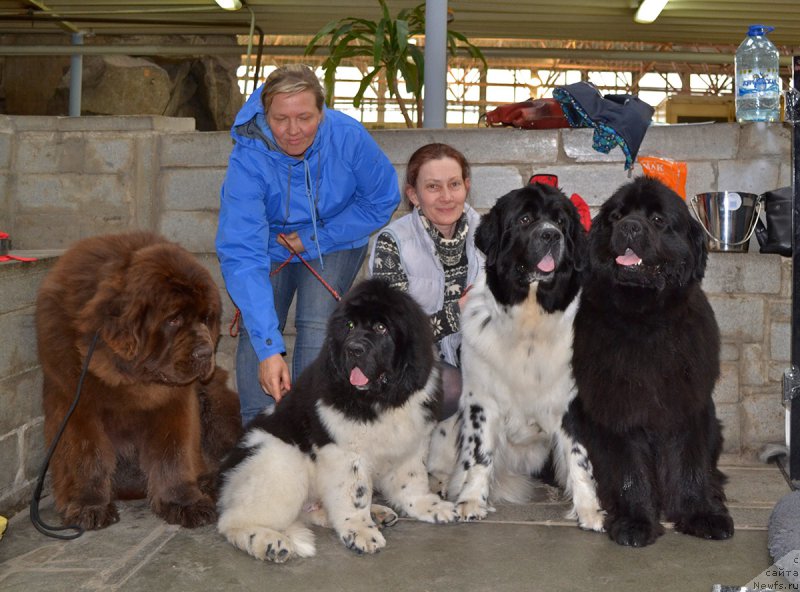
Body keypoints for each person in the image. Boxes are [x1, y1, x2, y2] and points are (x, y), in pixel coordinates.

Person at [216, 65, 400, 425]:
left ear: (322, 112)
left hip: (335, 234)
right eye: (280, 119)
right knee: (260, 323)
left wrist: (316, 238)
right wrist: (269, 350)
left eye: (305, 117)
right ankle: (257, 430)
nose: (293, 130)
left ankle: (310, 425)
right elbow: (242, 252)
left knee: (316, 321)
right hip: (271, 243)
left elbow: (382, 199)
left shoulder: (348, 137)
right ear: (265, 115)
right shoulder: (247, 158)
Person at [369, 143, 484, 418]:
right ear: (414, 195)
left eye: (454, 184)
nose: (447, 197)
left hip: (476, 354)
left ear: (466, 187)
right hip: (410, 360)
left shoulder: (488, 233)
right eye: (433, 187)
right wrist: (457, 313)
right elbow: (392, 332)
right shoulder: (392, 242)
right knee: (452, 388)